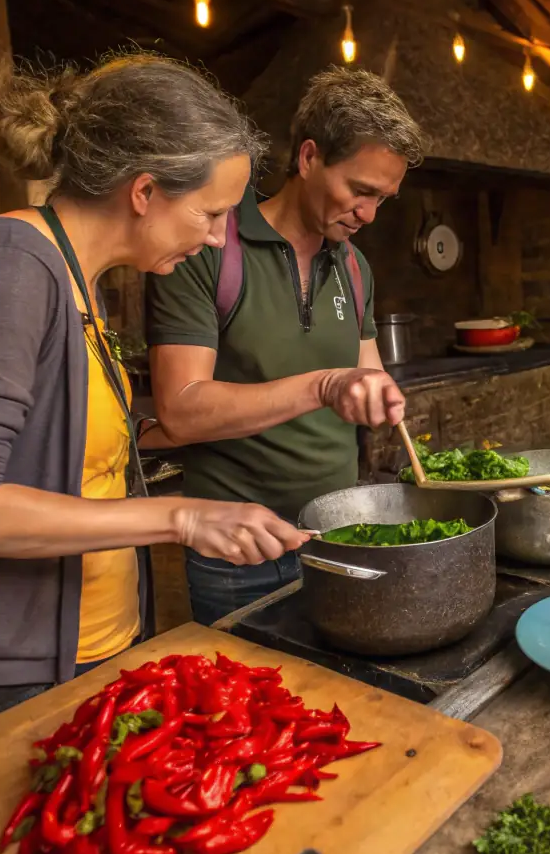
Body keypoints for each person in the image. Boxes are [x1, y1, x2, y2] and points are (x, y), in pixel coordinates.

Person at [0, 54, 309, 747]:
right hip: (1, 680)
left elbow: (61, 442)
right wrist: (181, 516)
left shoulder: (76, 279)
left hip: (79, 651)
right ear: (144, 192)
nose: (218, 235)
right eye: (211, 212)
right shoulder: (10, 267)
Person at [145, 67, 423, 625]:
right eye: (360, 190)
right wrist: (324, 386)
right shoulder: (206, 248)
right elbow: (180, 411)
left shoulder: (355, 267)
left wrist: (379, 396)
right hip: (236, 551)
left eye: (383, 199)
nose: (368, 214)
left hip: (339, 538)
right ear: (309, 157)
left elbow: (365, 379)